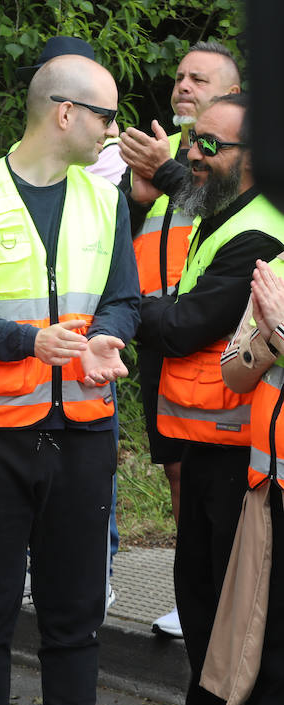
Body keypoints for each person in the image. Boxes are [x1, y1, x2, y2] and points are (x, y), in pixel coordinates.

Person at [0, 54, 140, 705]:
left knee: (75, 619)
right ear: (65, 113)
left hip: (83, 435)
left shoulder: (106, 200)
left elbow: (124, 298)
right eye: (105, 117)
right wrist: (29, 342)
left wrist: (108, 332)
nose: (112, 131)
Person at [135, 93, 284, 705]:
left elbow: (184, 324)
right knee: (198, 600)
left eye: (209, 146)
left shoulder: (260, 230)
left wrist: (126, 305)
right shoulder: (222, 212)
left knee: (225, 615)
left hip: (236, 452)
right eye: (191, 141)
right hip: (206, 445)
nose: (192, 155)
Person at [119, 41, 242, 639]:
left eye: (200, 78)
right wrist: (136, 194)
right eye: (179, 76)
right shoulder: (173, 155)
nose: (183, 85)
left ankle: (210, 597)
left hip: (210, 344)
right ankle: (187, 587)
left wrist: (169, 172)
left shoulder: (223, 164)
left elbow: (227, 211)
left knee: (208, 481)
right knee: (175, 472)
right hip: (159, 336)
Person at [218, 257, 284, 705]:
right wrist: (266, 336)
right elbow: (233, 373)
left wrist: (280, 328)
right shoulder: (279, 271)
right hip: (270, 492)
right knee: (269, 649)